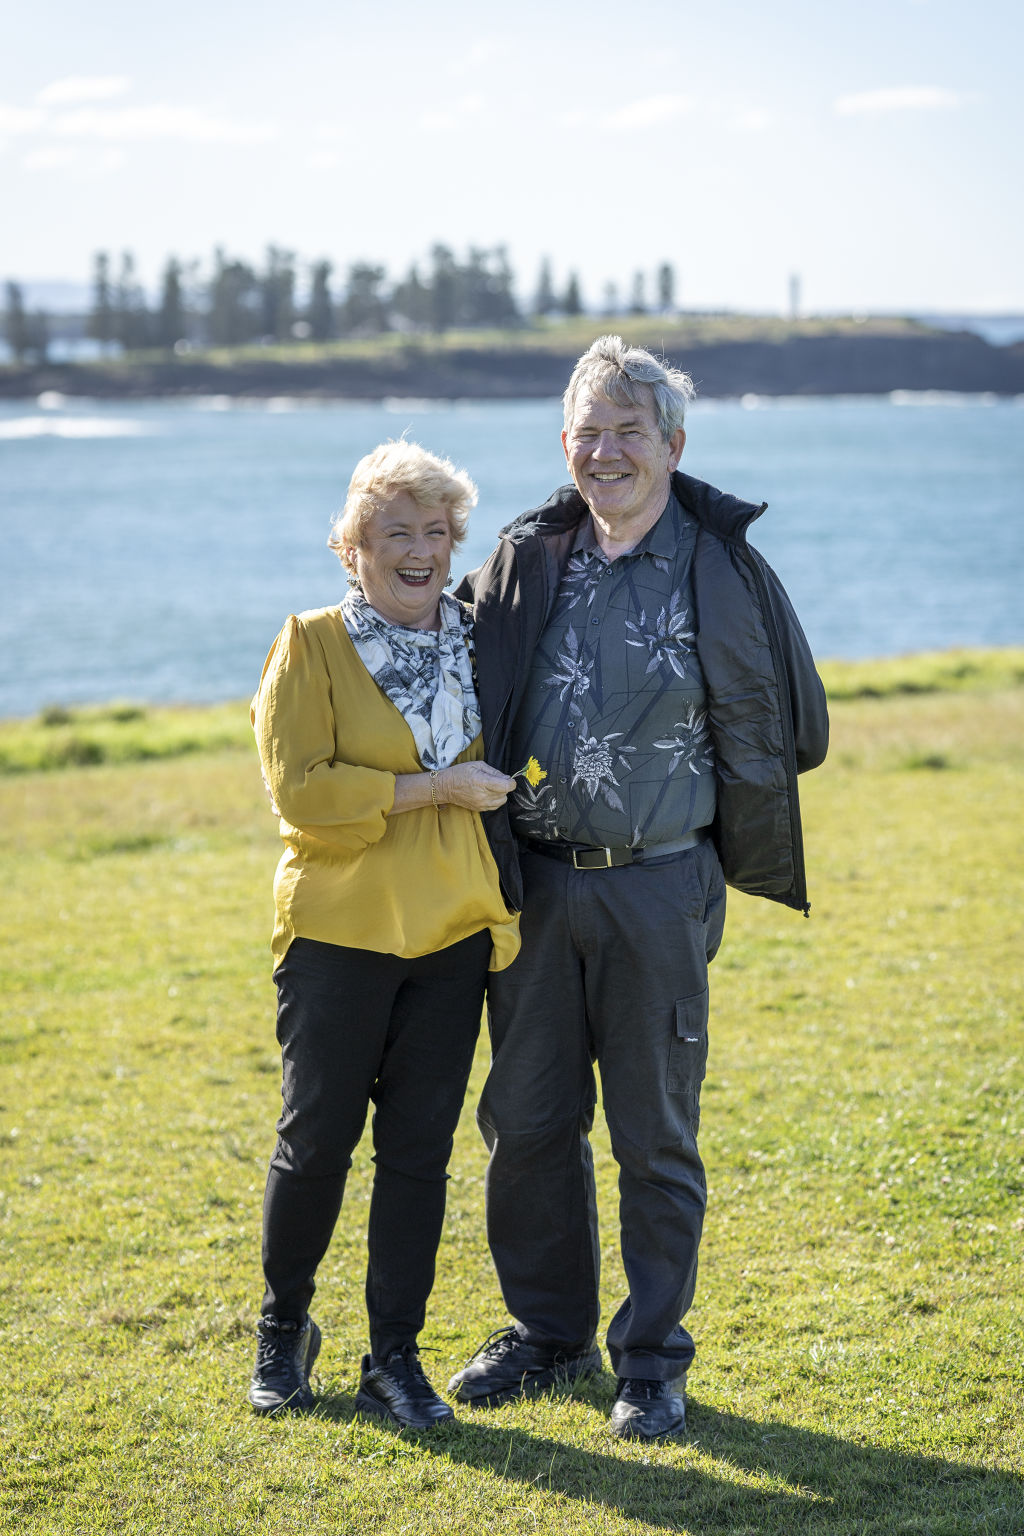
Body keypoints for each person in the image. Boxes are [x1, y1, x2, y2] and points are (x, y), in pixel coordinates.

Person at [448, 336, 829, 1440]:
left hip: (662, 889)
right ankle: (546, 1332)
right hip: (531, 890)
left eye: (627, 430)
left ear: (672, 443)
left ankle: (650, 1361)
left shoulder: (724, 567)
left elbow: (796, 728)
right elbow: (441, 672)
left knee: (653, 1137)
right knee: (524, 1123)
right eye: (587, 430)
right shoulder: (524, 559)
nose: (605, 450)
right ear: (563, 442)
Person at [247, 439, 518, 1428]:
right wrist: (436, 788)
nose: (419, 549)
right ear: (350, 548)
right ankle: (282, 1335)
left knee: (417, 1155)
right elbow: (302, 793)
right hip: (337, 937)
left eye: (436, 532)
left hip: (450, 938)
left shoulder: (482, 639)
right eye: (394, 532)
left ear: (454, 546)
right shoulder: (309, 643)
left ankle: (393, 1359)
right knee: (316, 1142)